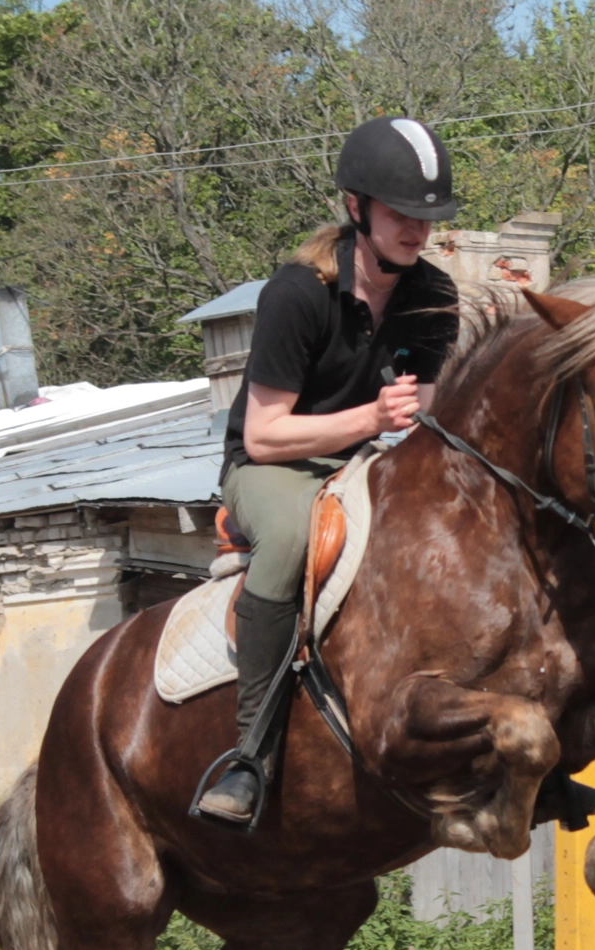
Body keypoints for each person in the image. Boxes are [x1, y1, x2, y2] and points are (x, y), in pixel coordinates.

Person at [196, 116, 460, 824]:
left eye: (428, 216)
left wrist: (418, 413)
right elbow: (265, 431)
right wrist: (373, 419)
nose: (417, 229)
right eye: (403, 212)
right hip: (273, 469)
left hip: (370, 467)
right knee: (290, 538)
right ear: (355, 207)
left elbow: (426, 409)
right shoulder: (296, 293)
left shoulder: (433, 296)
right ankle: (251, 754)